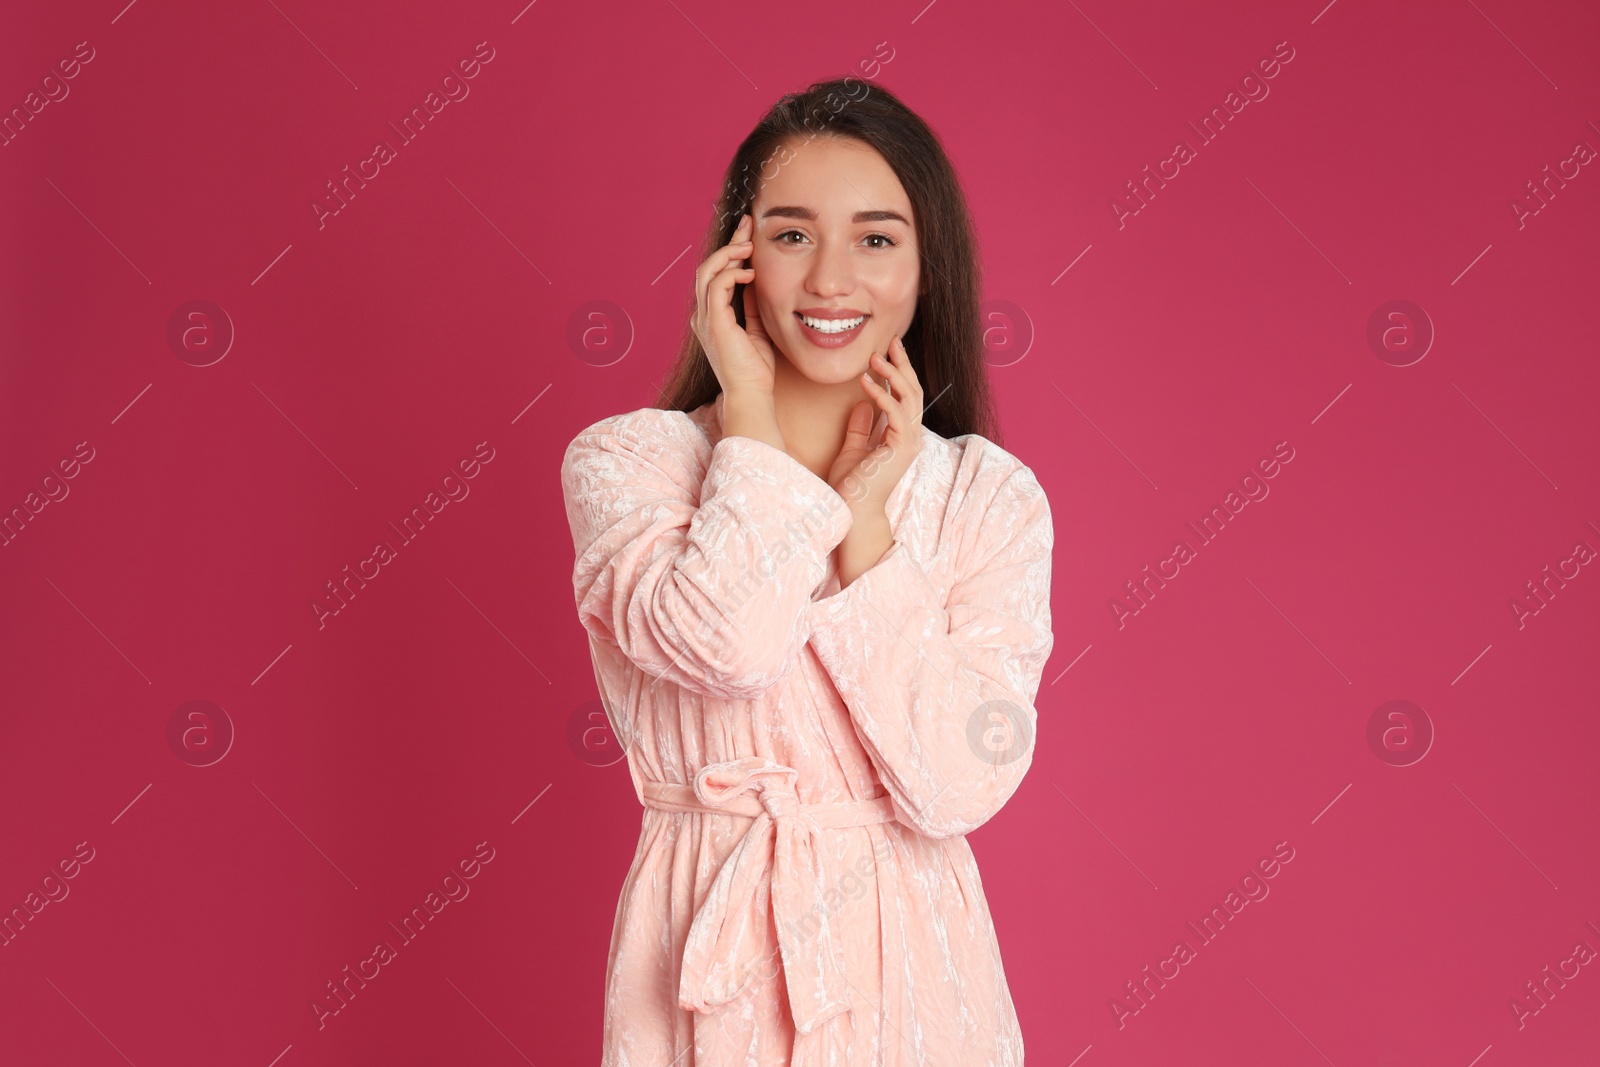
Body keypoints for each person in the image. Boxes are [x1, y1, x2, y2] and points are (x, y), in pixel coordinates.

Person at [560, 76, 1054, 1066]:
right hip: (702, 963)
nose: (831, 279)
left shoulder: (986, 498)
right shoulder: (629, 463)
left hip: (916, 984)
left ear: (925, 268)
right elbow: (727, 644)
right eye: (792, 235)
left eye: (875, 239)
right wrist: (746, 413)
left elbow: (958, 784)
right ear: (735, 257)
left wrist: (865, 530)